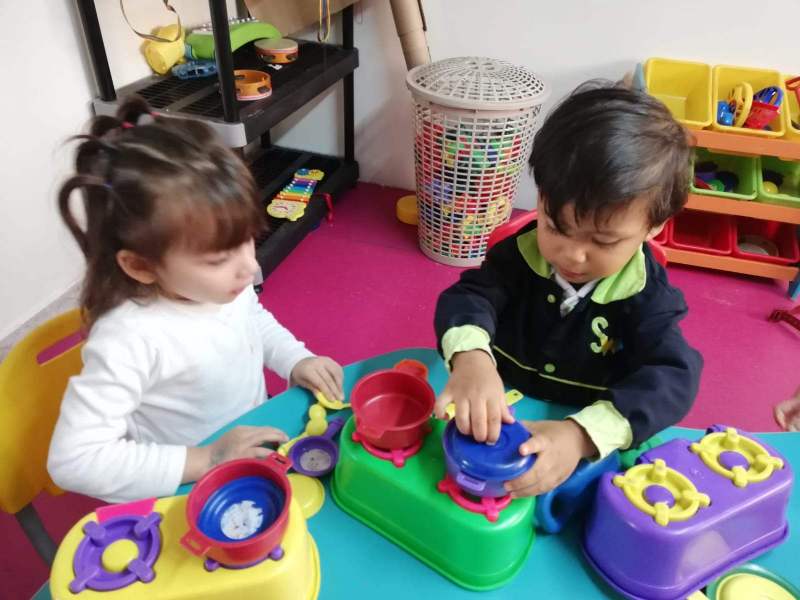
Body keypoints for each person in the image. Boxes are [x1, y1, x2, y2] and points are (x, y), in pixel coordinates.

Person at [48, 97, 344, 502]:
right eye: (218, 259)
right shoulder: (128, 337)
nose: (249, 266)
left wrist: (295, 359)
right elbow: (74, 460)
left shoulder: (220, 286)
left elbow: (251, 318)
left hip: (248, 443)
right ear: (140, 266)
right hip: (190, 487)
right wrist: (206, 459)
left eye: (248, 240)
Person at [434, 82, 703, 497]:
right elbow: (468, 298)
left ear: (653, 227)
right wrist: (471, 358)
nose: (573, 255)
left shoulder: (649, 299)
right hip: (503, 413)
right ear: (541, 197)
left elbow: (673, 378)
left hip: (581, 437)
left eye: (603, 241)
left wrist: (581, 436)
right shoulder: (517, 256)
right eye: (556, 227)